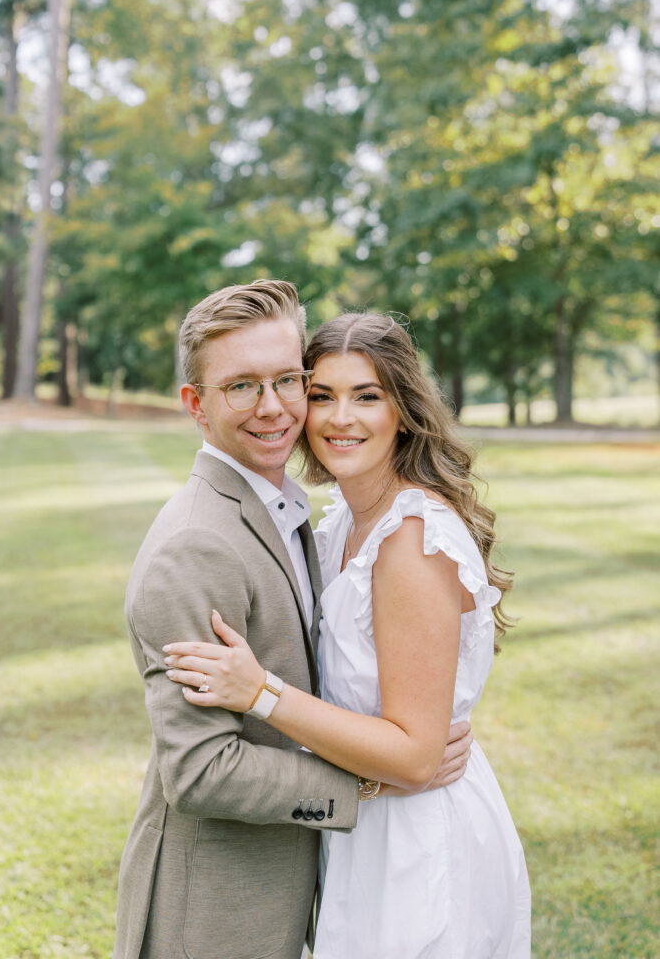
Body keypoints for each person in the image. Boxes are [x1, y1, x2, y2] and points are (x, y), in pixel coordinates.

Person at [114, 282, 472, 959]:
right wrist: (372, 780)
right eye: (242, 387)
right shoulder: (196, 544)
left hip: (318, 878)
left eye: (288, 380)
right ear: (196, 404)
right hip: (219, 907)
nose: (274, 408)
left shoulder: (298, 515)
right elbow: (198, 771)